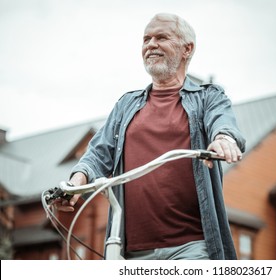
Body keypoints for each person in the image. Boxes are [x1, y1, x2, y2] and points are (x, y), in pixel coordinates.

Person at [56, 13, 245, 260]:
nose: (150, 44)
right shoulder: (127, 105)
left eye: (161, 37)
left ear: (187, 49)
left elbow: (223, 123)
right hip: (129, 250)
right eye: (146, 39)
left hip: (191, 248)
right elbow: (98, 154)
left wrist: (224, 139)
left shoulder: (207, 97)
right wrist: (76, 183)